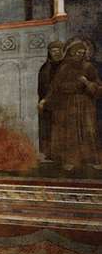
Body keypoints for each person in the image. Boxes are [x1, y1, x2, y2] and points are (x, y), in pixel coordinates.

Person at [43, 39, 102, 173]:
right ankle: (70, 161)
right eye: (77, 52)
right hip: (69, 104)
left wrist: (87, 83)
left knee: (89, 131)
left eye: (82, 53)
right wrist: (46, 100)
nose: (79, 55)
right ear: (72, 53)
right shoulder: (64, 67)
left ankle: (92, 160)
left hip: (86, 105)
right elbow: (55, 87)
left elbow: (98, 87)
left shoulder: (88, 67)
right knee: (71, 133)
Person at [37, 41, 65, 161]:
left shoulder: (66, 66)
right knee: (48, 128)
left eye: (58, 50)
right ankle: (50, 154)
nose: (56, 53)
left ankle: (63, 154)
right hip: (47, 102)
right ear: (49, 52)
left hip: (63, 101)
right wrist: (43, 99)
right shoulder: (45, 67)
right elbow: (41, 86)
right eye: (53, 51)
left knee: (62, 128)